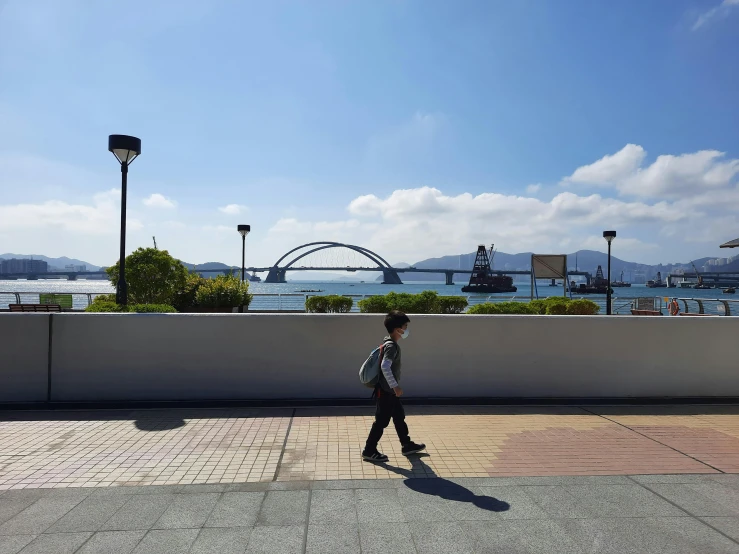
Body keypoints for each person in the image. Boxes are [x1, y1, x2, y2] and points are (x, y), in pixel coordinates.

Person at [362, 310, 426, 462]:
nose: (406, 329)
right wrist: (395, 386)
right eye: (405, 326)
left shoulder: (387, 343)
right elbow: (385, 366)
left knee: (398, 416)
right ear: (398, 329)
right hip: (386, 391)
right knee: (381, 421)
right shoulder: (392, 346)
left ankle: (407, 445)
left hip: (387, 391)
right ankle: (369, 450)